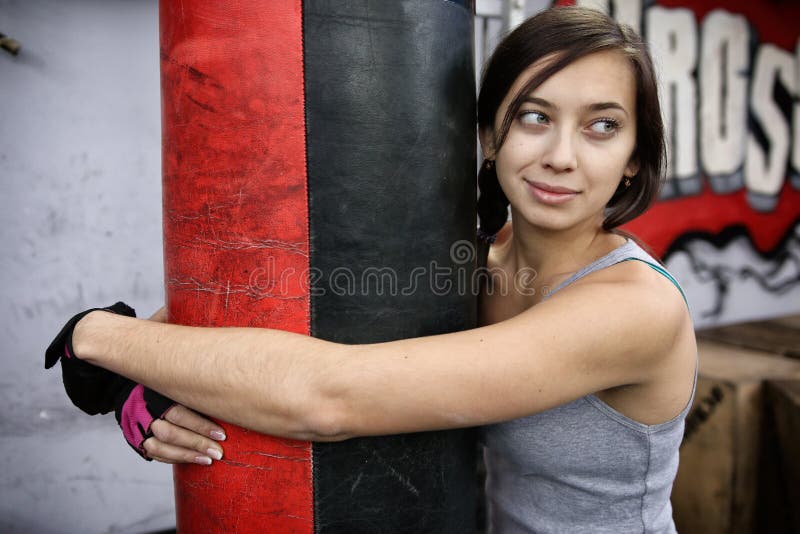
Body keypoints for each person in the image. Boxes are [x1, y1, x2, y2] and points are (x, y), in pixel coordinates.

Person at [47, 7, 696, 533]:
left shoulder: (634, 308)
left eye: (601, 127)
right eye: (535, 116)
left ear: (634, 158)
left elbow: (329, 397)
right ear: (491, 135)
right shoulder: (475, 260)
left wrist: (96, 336)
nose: (560, 155)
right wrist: (138, 391)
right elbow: (226, 316)